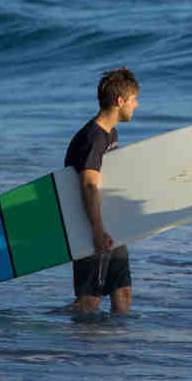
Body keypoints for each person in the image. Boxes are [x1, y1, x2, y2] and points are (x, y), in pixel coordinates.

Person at [65, 66, 140, 314]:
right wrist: (97, 230)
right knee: (88, 302)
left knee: (123, 294)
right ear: (120, 101)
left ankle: (116, 351)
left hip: (111, 225)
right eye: (134, 100)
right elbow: (88, 183)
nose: (136, 105)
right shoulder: (93, 138)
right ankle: (42, 331)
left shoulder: (111, 134)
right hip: (92, 226)